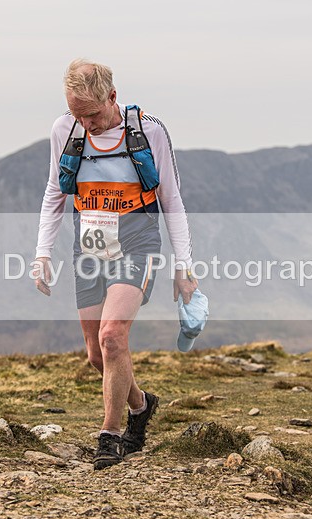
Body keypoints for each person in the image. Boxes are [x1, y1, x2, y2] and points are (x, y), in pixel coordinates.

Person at [32, 59, 197, 469]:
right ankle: (141, 405)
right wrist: (42, 253)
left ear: (113, 96)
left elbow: (172, 200)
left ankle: (109, 436)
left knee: (111, 336)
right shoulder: (64, 131)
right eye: (76, 113)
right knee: (96, 355)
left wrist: (184, 266)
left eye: (92, 113)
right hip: (89, 246)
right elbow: (55, 193)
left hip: (137, 242)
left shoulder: (148, 131)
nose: (85, 124)